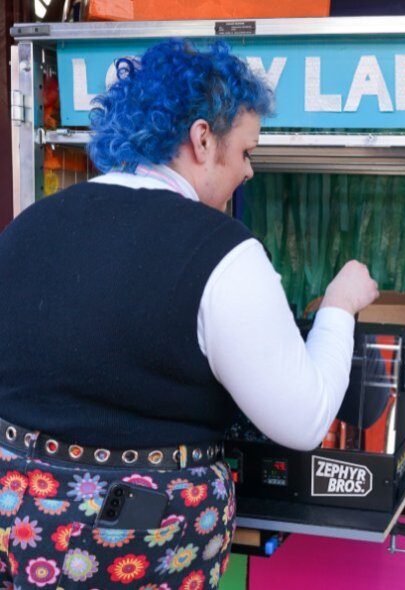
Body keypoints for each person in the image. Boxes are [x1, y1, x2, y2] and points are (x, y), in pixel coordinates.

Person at [0, 39, 378, 589]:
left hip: (21, 525)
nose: (249, 172)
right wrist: (340, 306)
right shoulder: (222, 250)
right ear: (203, 139)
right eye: (246, 152)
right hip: (142, 537)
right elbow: (303, 420)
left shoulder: (30, 225)